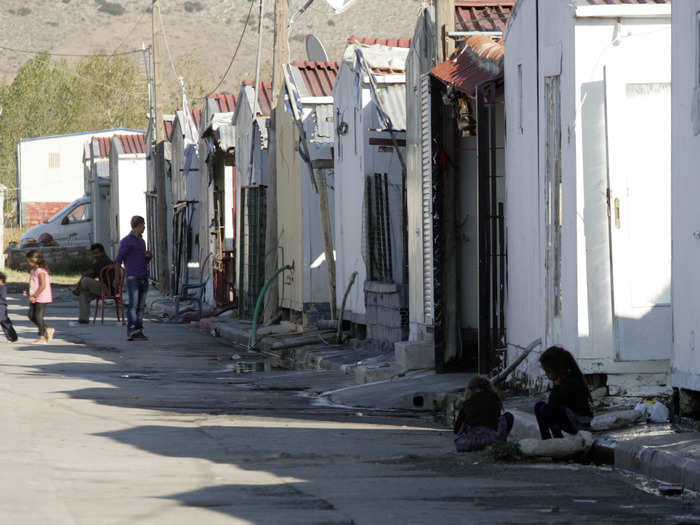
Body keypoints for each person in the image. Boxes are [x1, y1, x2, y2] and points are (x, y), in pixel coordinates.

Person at [534, 346, 593, 440]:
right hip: (572, 419)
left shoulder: (569, 382)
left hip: (580, 424)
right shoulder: (565, 379)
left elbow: (553, 403)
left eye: (548, 371)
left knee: (546, 409)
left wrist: (556, 386)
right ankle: (546, 439)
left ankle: (558, 439)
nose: (546, 375)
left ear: (557, 369)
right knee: (539, 406)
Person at [453, 375, 514, 452]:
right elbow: (496, 419)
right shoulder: (494, 398)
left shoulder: (466, 404)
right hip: (491, 439)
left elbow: (456, 430)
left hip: (469, 443)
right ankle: (501, 442)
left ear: (470, 389)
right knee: (508, 416)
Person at [114, 216, 151, 341]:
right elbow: (118, 260)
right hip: (133, 277)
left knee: (141, 306)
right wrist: (117, 277)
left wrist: (148, 257)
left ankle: (139, 330)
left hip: (143, 276)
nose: (144, 227)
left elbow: (144, 260)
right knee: (133, 305)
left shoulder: (142, 242)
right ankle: (131, 329)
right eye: (143, 225)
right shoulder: (126, 241)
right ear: (138, 225)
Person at [71, 243, 114, 325]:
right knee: (83, 294)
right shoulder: (101, 261)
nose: (95, 255)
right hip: (103, 288)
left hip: (108, 289)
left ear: (102, 252)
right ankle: (83, 319)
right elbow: (92, 275)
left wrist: (79, 284)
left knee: (85, 280)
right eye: (94, 253)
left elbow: (88, 274)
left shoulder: (103, 261)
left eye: (97, 253)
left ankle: (78, 289)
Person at [24, 250, 54, 344]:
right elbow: (33, 284)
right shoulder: (33, 270)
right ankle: (47, 329)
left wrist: (35, 295)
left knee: (38, 316)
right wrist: (29, 293)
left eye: (28, 260)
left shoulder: (41, 271)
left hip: (42, 297)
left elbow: (43, 285)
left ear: (34, 260)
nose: (27, 262)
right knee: (31, 316)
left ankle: (42, 337)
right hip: (34, 296)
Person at [0, 272, 17, 342]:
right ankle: (12, 337)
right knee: (4, 322)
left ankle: (12, 337)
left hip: (1, 306)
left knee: (4, 322)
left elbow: (2, 297)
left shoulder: (3, 287)